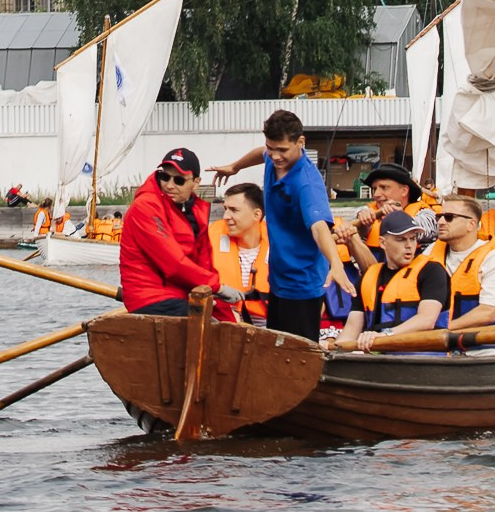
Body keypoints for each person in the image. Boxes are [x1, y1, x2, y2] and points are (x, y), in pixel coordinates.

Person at [216, 108, 353, 340]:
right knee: (274, 347)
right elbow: (260, 153)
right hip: (278, 279)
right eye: (271, 147)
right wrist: (236, 166)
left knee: (295, 354)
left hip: (302, 285)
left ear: (301, 142)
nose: (275, 156)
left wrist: (336, 264)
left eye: (282, 150)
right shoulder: (272, 158)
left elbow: (319, 228)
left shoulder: (306, 184)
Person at [117, 147, 225, 317]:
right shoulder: (145, 206)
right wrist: (218, 287)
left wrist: (223, 305)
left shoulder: (196, 212)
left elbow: (204, 263)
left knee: (228, 326)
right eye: (164, 177)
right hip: (150, 298)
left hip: (181, 295)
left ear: (196, 183)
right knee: (214, 334)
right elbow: (174, 264)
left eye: (178, 180)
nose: (169, 185)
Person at [338, 212, 448, 351]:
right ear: (383, 243)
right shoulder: (368, 277)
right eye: (401, 239)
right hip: (383, 358)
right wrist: (331, 349)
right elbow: (351, 330)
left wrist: (386, 335)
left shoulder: (432, 270)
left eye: (413, 239)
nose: (409, 245)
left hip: (423, 357)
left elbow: (426, 320)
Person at [431, 194, 495, 330]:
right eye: (439, 217)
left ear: (471, 224)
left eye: (449, 217)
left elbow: (487, 313)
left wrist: (441, 330)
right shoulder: (431, 252)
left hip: (486, 348)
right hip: (439, 347)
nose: (441, 222)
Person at [206, 183, 271, 325]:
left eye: (234, 210)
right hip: (223, 321)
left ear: (256, 215)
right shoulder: (209, 239)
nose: (225, 216)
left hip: (268, 324)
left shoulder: (279, 246)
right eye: (225, 209)